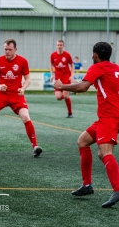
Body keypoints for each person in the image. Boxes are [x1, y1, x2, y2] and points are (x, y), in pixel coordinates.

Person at [53, 41, 119, 208]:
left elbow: (83, 87)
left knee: (105, 152)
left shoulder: (97, 67)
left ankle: (118, 188)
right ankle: (87, 185)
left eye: (92, 54)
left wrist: (62, 86)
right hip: (108, 116)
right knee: (83, 141)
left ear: (95, 55)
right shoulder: (115, 67)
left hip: (110, 116)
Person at [0, 39, 42, 157]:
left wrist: (23, 88)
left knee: (25, 116)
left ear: (15, 49)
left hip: (17, 95)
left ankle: (35, 146)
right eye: (5, 49)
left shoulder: (23, 61)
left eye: (10, 49)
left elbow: (28, 79)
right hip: (1, 95)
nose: (7, 52)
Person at [50, 40, 74, 118]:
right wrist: (52, 75)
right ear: (56, 46)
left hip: (66, 77)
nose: (59, 46)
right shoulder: (53, 55)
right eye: (58, 45)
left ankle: (70, 113)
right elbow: (51, 65)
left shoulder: (67, 55)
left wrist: (72, 76)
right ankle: (67, 97)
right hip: (58, 79)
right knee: (58, 97)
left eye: (61, 45)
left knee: (65, 95)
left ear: (63, 46)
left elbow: (72, 65)